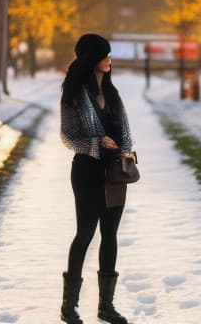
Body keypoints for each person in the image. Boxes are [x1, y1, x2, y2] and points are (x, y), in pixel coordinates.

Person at [60, 33, 132, 324]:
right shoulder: (75, 95)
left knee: (110, 235)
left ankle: (106, 306)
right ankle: (69, 307)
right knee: (86, 233)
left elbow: (126, 131)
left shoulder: (113, 94)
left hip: (114, 172)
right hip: (87, 171)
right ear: (93, 59)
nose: (109, 59)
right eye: (105, 54)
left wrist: (123, 148)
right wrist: (94, 145)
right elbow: (67, 136)